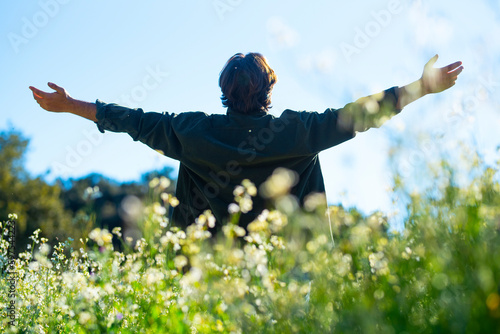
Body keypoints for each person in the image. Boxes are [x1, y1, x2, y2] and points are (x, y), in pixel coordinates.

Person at [29, 53, 463, 230]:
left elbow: (134, 121)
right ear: (269, 88)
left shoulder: (194, 132)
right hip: (293, 278)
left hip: (214, 277)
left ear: (223, 91)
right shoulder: (297, 131)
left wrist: (70, 106)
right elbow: (360, 115)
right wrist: (421, 87)